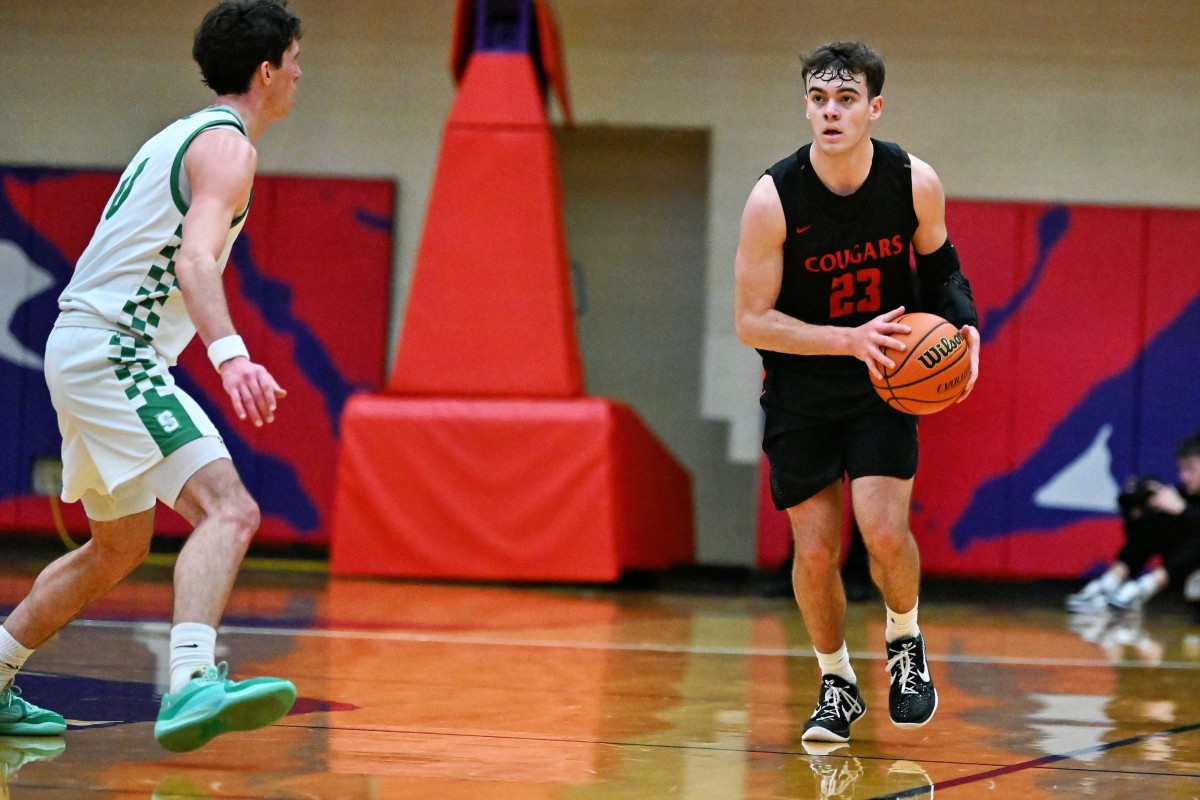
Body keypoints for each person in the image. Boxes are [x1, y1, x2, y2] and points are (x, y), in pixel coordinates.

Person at [0, 0, 303, 753]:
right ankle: (194, 679)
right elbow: (195, 259)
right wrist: (232, 356)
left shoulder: (181, 134)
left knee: (117, 549)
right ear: (266, 72)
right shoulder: (229, 148)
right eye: (296, 61)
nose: (301, 75)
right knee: (229, 511)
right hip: (116, 350)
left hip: (83, 347)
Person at [734, 40, 980, 743]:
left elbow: (942, 270)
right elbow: (751, 320)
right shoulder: (773, 198)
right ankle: (837, 683)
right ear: (806, 107)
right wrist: (847, 339)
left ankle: (905, 641)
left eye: (845, 99)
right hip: (802, 383)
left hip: (884, 382)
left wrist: (964, 327)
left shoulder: (912, 180)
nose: (830, 111)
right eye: (818, 99)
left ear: (874, 107)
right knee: (812, 551)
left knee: (881, 528)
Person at [1066, 433, 1200, 613]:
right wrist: (1138, 510)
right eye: (1181, 470)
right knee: (1156, 520)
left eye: (1191, 469)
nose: (1184, 477)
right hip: (1186, 579)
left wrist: (1182, 510)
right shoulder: (1182, 494)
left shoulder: (1182, 503)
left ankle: (1145, 587)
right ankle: (1111, 583)